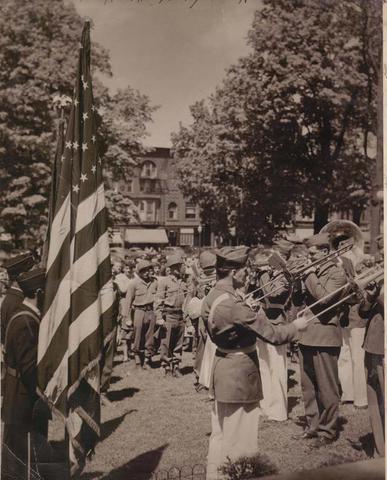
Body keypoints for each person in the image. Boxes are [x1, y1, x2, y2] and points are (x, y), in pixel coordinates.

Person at [201, 247, 310, 480]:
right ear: (234, 273)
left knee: (220, 436)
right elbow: (273, 335)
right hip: (240, 376)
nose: (248, 274)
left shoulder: (214, 296)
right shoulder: (233, 304)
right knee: (242, 443)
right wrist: (296, 327)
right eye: (244, 270)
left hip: (223, 370)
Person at [294, 232, 348, 447]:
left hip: (325, 335)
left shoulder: (337, 273)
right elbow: (298, 300)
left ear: (325, 252)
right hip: (306, 334)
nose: (309, 257)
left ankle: (328, 430)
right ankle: (313, 426)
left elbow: (325, 300)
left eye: (313, 253)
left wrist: (308, 275)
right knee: (308, 387)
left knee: (327, 387)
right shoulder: (312, 272)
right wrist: (297, 282)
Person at [1, 267, 52, 480]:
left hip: (18, 390)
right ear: (39, 293)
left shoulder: (24, 314)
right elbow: (29, 367)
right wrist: (44, 393)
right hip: (23, 393)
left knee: (17, 446)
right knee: (23, 445)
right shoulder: (26, 321)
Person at [255, 239, 293, 422]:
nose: (268, 259)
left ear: (282, 257)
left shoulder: (286, 277)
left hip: (277, 324)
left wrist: (263, 275)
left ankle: (278, 410)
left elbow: (271, 295)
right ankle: (265, 404)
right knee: (263, 365)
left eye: (273, 256)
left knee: (277, 367)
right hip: (264, 323)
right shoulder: (269, 275)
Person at [357, 240, 384, 456]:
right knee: (375, 397)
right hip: (373, 343)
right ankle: (380, 447)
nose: (381, 259)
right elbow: (363, 312)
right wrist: (371, 295)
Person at [155, 255, 188, 377]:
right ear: (174, 268)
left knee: (179, 343)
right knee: (166, 343)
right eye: (180, 266)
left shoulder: (183, 282)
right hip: (168, 316)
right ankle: (167, 367)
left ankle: (176, 366)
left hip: (180, 315)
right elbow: (158, 300)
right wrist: (159, 317)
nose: (183, 268)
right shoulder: (164, 282)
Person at [122, 260, 157, 369]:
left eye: (148, 270)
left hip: (151, 312)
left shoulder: (155, 282)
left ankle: (147, 360)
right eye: (144, 271)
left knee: (150, 337)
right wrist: (127, 318)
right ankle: (137, 359)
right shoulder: (134, 283)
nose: (147, 273)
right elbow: (128, 301)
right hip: (138, 312)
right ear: (139, 272)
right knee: (137, 336)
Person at [1, 253, 36, 346]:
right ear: (22, 275)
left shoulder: (14, 297)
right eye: (32, 272)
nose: (34, 276)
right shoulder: (16, 301)